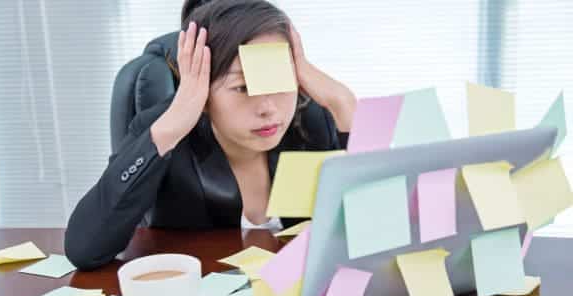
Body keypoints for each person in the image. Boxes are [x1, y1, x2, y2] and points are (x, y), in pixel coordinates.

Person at [65, 0, 357, 271]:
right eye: (243, 87)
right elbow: (84, 249)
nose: (269, 108)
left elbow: (372, 229)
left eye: (280, 80)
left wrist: (346, 108)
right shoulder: (165, 128)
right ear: (202, 90)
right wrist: (170, 129)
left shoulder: (310, 118)